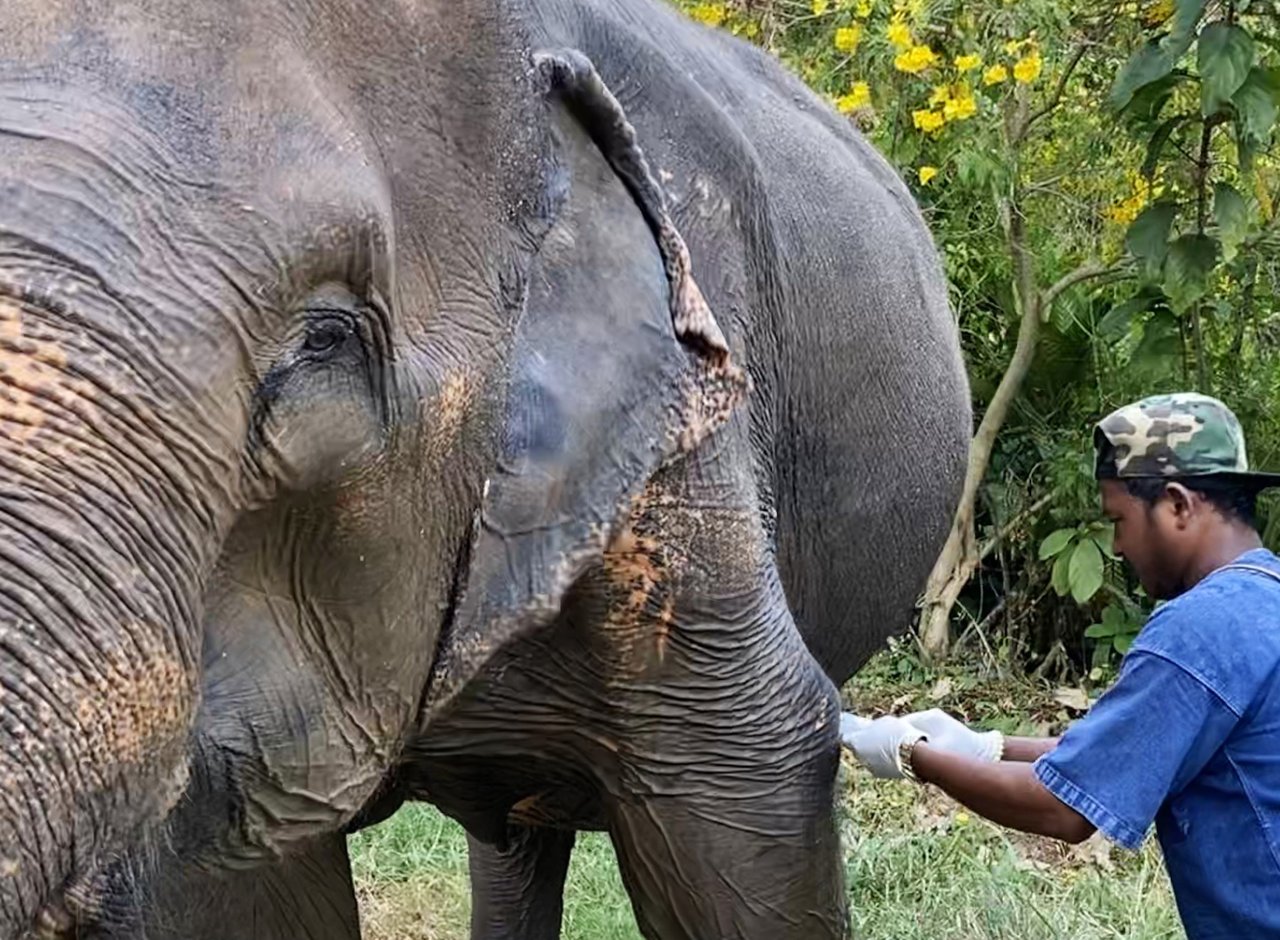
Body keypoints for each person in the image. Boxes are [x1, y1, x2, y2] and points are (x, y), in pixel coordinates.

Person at [841, 393, 1280, 940]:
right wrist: (990, 746)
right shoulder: (1264, 601)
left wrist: (914, 756)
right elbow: (1119, 753)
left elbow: (1063, 811)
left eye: (1118, 520)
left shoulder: (1201, 632)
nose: (1117, 546)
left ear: (1177, 505)